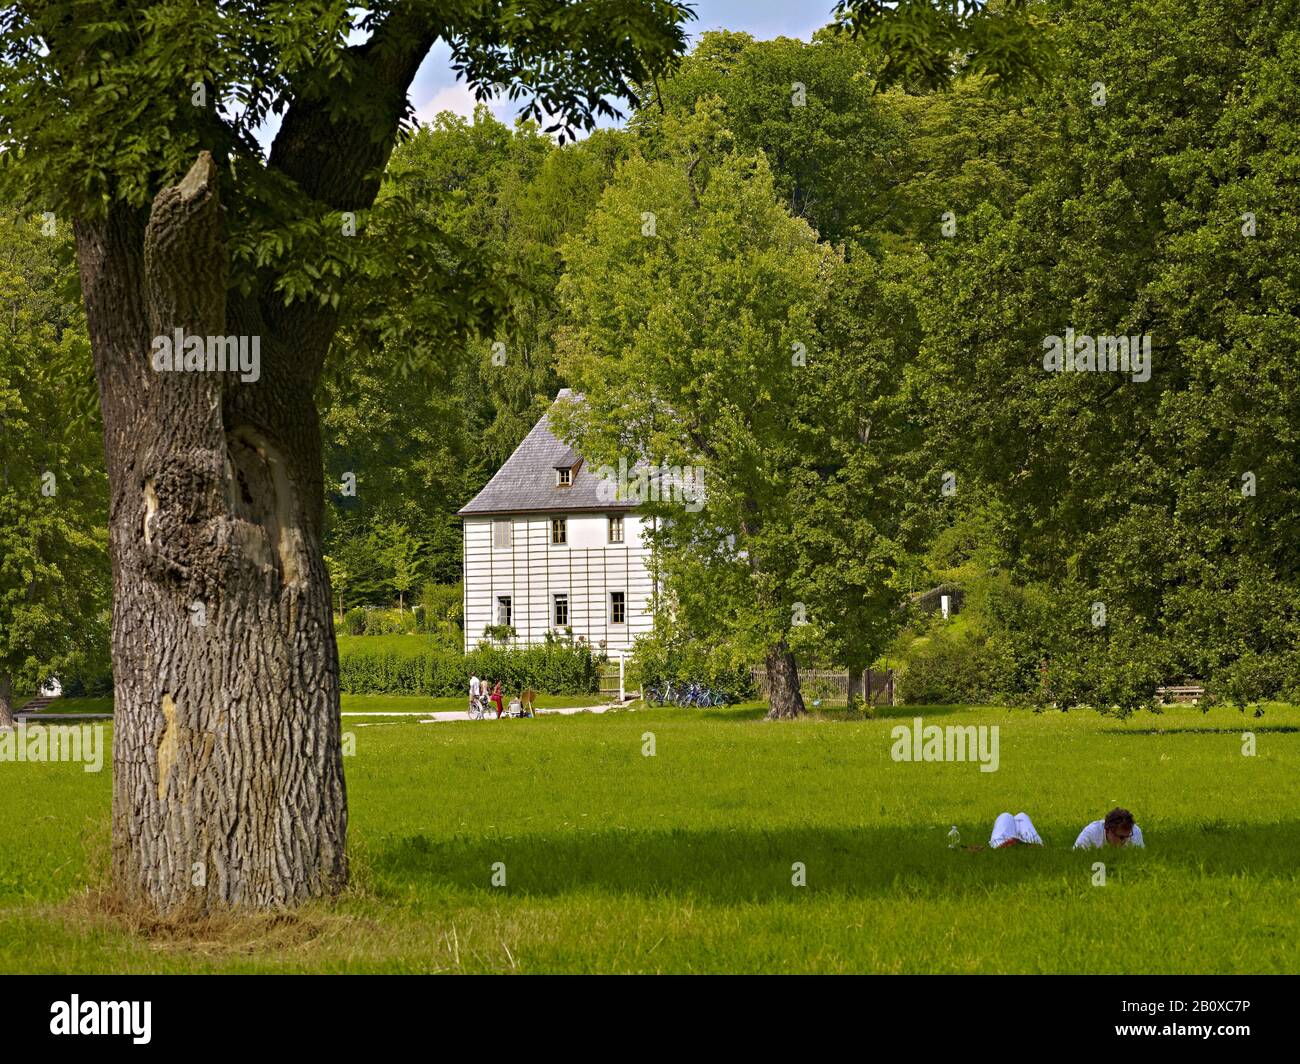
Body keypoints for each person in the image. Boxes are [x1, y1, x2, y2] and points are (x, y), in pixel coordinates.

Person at [1074, 807, 1144, 849]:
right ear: (1107, 830)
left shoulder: (1136, 831)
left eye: (1128, 836)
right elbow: (1076, 856)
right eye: (1121, 837)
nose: (1124, 841)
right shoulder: (1091, 833)